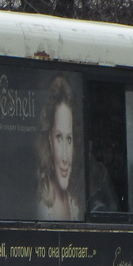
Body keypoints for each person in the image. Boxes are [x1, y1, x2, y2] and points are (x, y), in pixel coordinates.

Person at [36, 75, 83, 221]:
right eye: (58, 137)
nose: (64, 158)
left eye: (69, 139)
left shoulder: (73, 203)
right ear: (50, 140)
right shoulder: (42, 208)